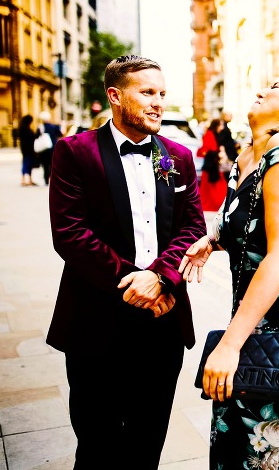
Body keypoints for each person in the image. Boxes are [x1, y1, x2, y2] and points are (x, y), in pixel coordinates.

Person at [47, 55, 206, 469]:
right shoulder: (75, 152)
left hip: (162, 320)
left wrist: (160, 278)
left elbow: (192, 226)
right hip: (96, 319)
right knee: (97, 445)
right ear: (116, 96)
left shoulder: (176, 156)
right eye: (147, 92)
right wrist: (136, 281)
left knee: (146, 443)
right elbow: (70, 233)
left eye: (162, 93)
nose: (158, 102)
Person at [179, 74, 279, 469]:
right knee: (235, 438)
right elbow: (250, 223)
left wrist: (229, 345)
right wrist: (212, 240)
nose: (261, 90)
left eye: (276, 88)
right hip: (256, 309)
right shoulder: (249, 155)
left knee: (270, 451)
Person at [198, 118, 229, 212]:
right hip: (210, 167)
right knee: (209, 189)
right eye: (220, 125)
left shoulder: (216, 135)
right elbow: (207, 150)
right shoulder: (209, 134)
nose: (222, 127)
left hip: (214, 166)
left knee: (217, 187)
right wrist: (218, 154)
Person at [36, 111, 63, 186]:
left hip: (44, 149)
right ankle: (52, 179)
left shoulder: (40, 127)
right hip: (53, 148)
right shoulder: (54, 127)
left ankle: (46, 180)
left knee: (45, 165)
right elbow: (60, 134)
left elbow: (37, 136)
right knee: (52, 164)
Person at [17, 114, 37, 187]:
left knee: (28, 163)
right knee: (26, 163)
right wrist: (38, 133)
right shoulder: (25, 129)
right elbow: (32, 137)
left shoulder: (22, 128)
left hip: (25, 149)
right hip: (28, 149)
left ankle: (28, 180)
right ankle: (24, 180)